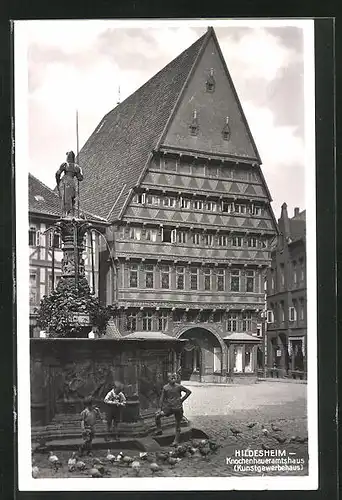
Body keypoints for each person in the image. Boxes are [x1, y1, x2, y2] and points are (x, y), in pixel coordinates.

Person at [154, 373, 192, 446]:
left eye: (174, 377)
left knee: (177, 424)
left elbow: (188, 392)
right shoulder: (165, 388)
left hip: (178, 408)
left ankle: (176, 441)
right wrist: (159, 408)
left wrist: (182, 400)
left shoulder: (179, 386)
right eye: (171, 378)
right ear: (168, 379)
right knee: (157, 416)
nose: (173, 379)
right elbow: (162, 398)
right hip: (169, 408)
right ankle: (159, 429)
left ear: (176, 379)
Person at [55, 151, 83, 217]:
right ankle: (69, 214)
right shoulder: (77, 167)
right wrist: (80, 171)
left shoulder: (64, 165)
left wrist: (58, 183)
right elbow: (80, 178)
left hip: (65, 182)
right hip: (72, 183)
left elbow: (57, 174)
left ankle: (66, 215)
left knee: (65, 199)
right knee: (71, 199)